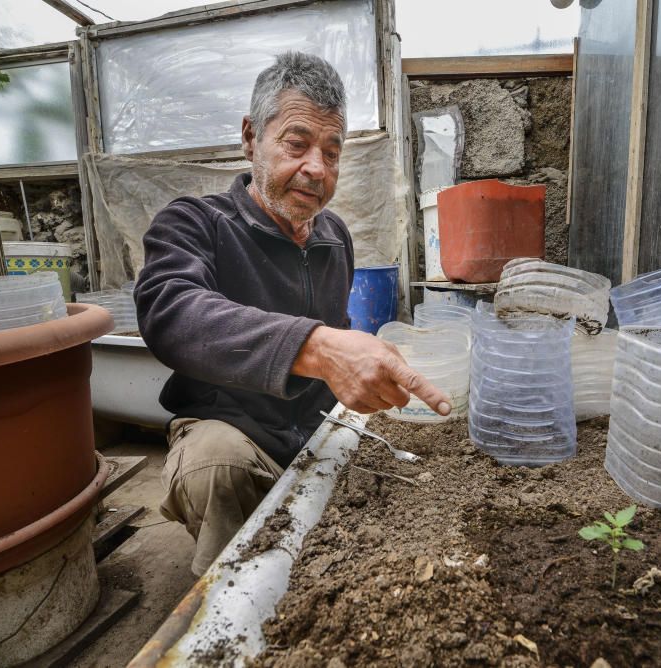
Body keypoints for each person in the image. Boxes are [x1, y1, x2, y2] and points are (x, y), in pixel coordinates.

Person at [134, 51, 450, 575]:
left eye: (332, 152)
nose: (317, 169)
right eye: (297, 144)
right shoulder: (195, 222)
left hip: (314, 428)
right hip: (232, 430)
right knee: (216, 466)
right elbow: (171, 311)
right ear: (250, 137)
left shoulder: (334, 236)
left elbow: (341, 331)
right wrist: (318, 349)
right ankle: (231, 604)